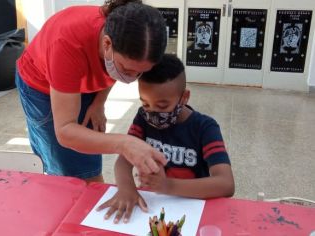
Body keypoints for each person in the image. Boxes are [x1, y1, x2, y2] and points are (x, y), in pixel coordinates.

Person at [15, 0, 168, 182]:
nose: (131, 79)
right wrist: (123, 143)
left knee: (88, 159)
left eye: (141, 72)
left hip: (80, 72)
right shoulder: (66, 45)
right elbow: (65, 132)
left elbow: (113, 71)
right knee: (66, 167)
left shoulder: (123, 36)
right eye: (127, 71)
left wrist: (99, 102)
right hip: (42, 86)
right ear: (107, 44)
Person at [97, 54, 235, 223]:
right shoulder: (143, 119)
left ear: (184, 98)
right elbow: (123, 162)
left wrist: (168, 186)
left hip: (193, 209)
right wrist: (126, 188)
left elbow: (226, 184)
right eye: (145, 104)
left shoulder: (205, 128)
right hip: (153, 207)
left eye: (162, 106)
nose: (153, 113)